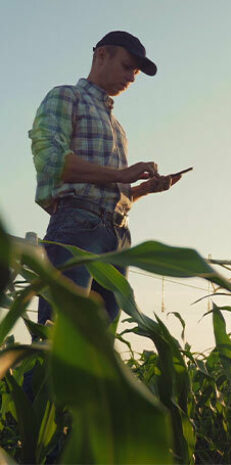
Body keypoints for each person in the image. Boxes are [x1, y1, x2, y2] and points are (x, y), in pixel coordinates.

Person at [29, 31, 183, 325]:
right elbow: (50, 161)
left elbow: (105, 190)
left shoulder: (117, 126)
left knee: (98, 352)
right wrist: (121, 174)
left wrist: (142, 190)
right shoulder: (65, 96)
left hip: (117, 236)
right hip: (77, 228)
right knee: (59, 338)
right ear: (101, 55)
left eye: (136, 72)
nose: (133, 78)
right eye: (128, 67)